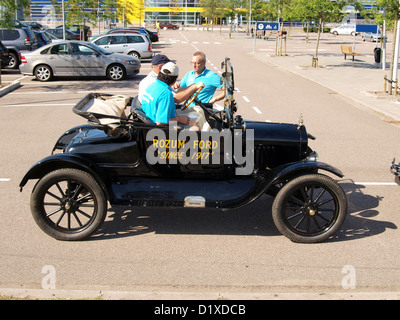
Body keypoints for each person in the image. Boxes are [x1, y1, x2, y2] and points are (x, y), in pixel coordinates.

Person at [141, 62, 196, 129]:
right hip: (160, 128)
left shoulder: (152, 85)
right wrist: (179, 119)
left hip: (149, 119)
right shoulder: (166, 94)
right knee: (196, 128)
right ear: (174, 81)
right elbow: (160, 122)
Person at [139, 54, 205, 104]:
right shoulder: (156, 83)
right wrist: (194, 87)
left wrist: (189, 87)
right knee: (193, 120)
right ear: (161, 67)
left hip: (156, 114)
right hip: (161, 119)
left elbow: (174, 93)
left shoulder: (149, 80)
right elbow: (176, 99)